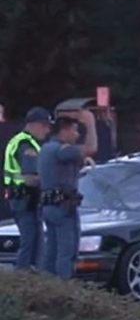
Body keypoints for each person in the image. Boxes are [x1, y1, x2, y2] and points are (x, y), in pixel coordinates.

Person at [38, 111, 98, 279]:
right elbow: (91, 148)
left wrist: (82, 161)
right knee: (67, 253)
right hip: (63, 208)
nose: (78, 135)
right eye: (75, 130)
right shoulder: (61, 149)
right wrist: (90, 124)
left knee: (51, 252)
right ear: (64, 131)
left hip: (50, 206)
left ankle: (46, 291)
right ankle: (64, 293)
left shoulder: (47, 149)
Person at [3, 107, 53, 270]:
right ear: (35, 124)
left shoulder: (25, 142)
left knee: (33, 241)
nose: (47, 130)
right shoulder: (26, 145)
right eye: (45, 125)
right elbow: (31, 178)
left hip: (24, 199)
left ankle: (28, 279)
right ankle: (25, 279)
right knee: (30, 243)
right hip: (24, 200)